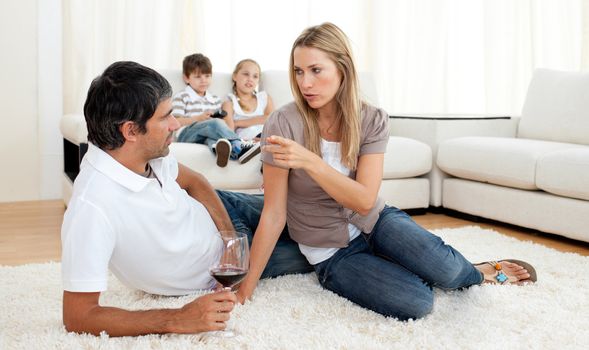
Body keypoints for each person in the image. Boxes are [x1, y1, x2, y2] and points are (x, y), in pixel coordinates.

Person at [236, 22, 537, 320]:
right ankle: (406, 264)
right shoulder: (283, 123)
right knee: (418, 301)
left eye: (316, 70)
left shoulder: (371, 118)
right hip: (332, 255)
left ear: (342, 69)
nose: (305, 83)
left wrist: (310, 161)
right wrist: (244, 292)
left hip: (377, 223)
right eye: (299, 72)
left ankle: (478, 272)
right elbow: (274, 213)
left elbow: (365, 201)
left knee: (448, 270)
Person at [61, 61, 313, 336]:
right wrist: (176, 318)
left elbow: (196, 182)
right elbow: (79, 316)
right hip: (219, 267)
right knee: (325, 249)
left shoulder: (147, 154)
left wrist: (230, 239)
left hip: (225, 214)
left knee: (318, 217)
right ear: (130, 131)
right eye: (165, 117)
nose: (175, 124)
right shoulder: (93, 206)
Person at [172, 53, 260, 167]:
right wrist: (198, 119)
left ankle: (226, 153)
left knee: (215, 139)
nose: (203, 80)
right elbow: (175, 122)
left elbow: (221, 123)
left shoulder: (214, 99)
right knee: (213, 124)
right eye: (198, 77)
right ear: (186, 78)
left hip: (205, 135)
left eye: (207, 76)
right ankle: (239, 144)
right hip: (186, 135)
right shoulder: (182, 97)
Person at [222, 59, 274, 141]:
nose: (250, 79)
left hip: (267, 137)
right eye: (246, 74)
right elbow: (229, 133)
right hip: (246, 143)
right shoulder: (230, 103)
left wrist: (238, 123)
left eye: (255, 76)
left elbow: (272, 120)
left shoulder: (263, 98)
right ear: (235, 76)